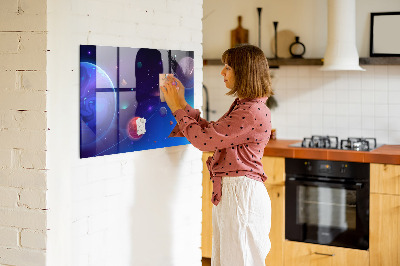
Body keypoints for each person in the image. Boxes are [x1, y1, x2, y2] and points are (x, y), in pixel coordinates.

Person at [161, 44, 273, 266]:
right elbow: (212, 133)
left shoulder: (250, 111)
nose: (222, 72)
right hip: (236, 193)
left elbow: (204, 141)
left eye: (228, 67)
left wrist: (176, 108)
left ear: (244, 72)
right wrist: (182, 103)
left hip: (241, 195)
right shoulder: (246, 106)